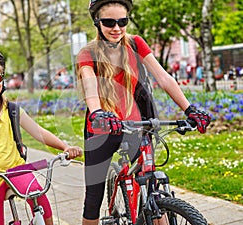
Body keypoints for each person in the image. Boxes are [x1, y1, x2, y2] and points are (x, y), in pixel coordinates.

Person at [76, 1, 211, 225]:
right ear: (97, 23)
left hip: (137, 125)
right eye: (109, 22)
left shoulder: (136, 44)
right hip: (102, 126)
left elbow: (164, 77)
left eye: (123, 21)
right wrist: (98, 112)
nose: (117, 28)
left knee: (152, 186)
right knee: (92, 201)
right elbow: (90, 85)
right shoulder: (87, 52)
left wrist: (189, 109)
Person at [0, 46, 83, 225]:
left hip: (16, 170)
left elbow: (39, 132)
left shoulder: (12, 110)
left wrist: (65, 147)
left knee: (44, 209)